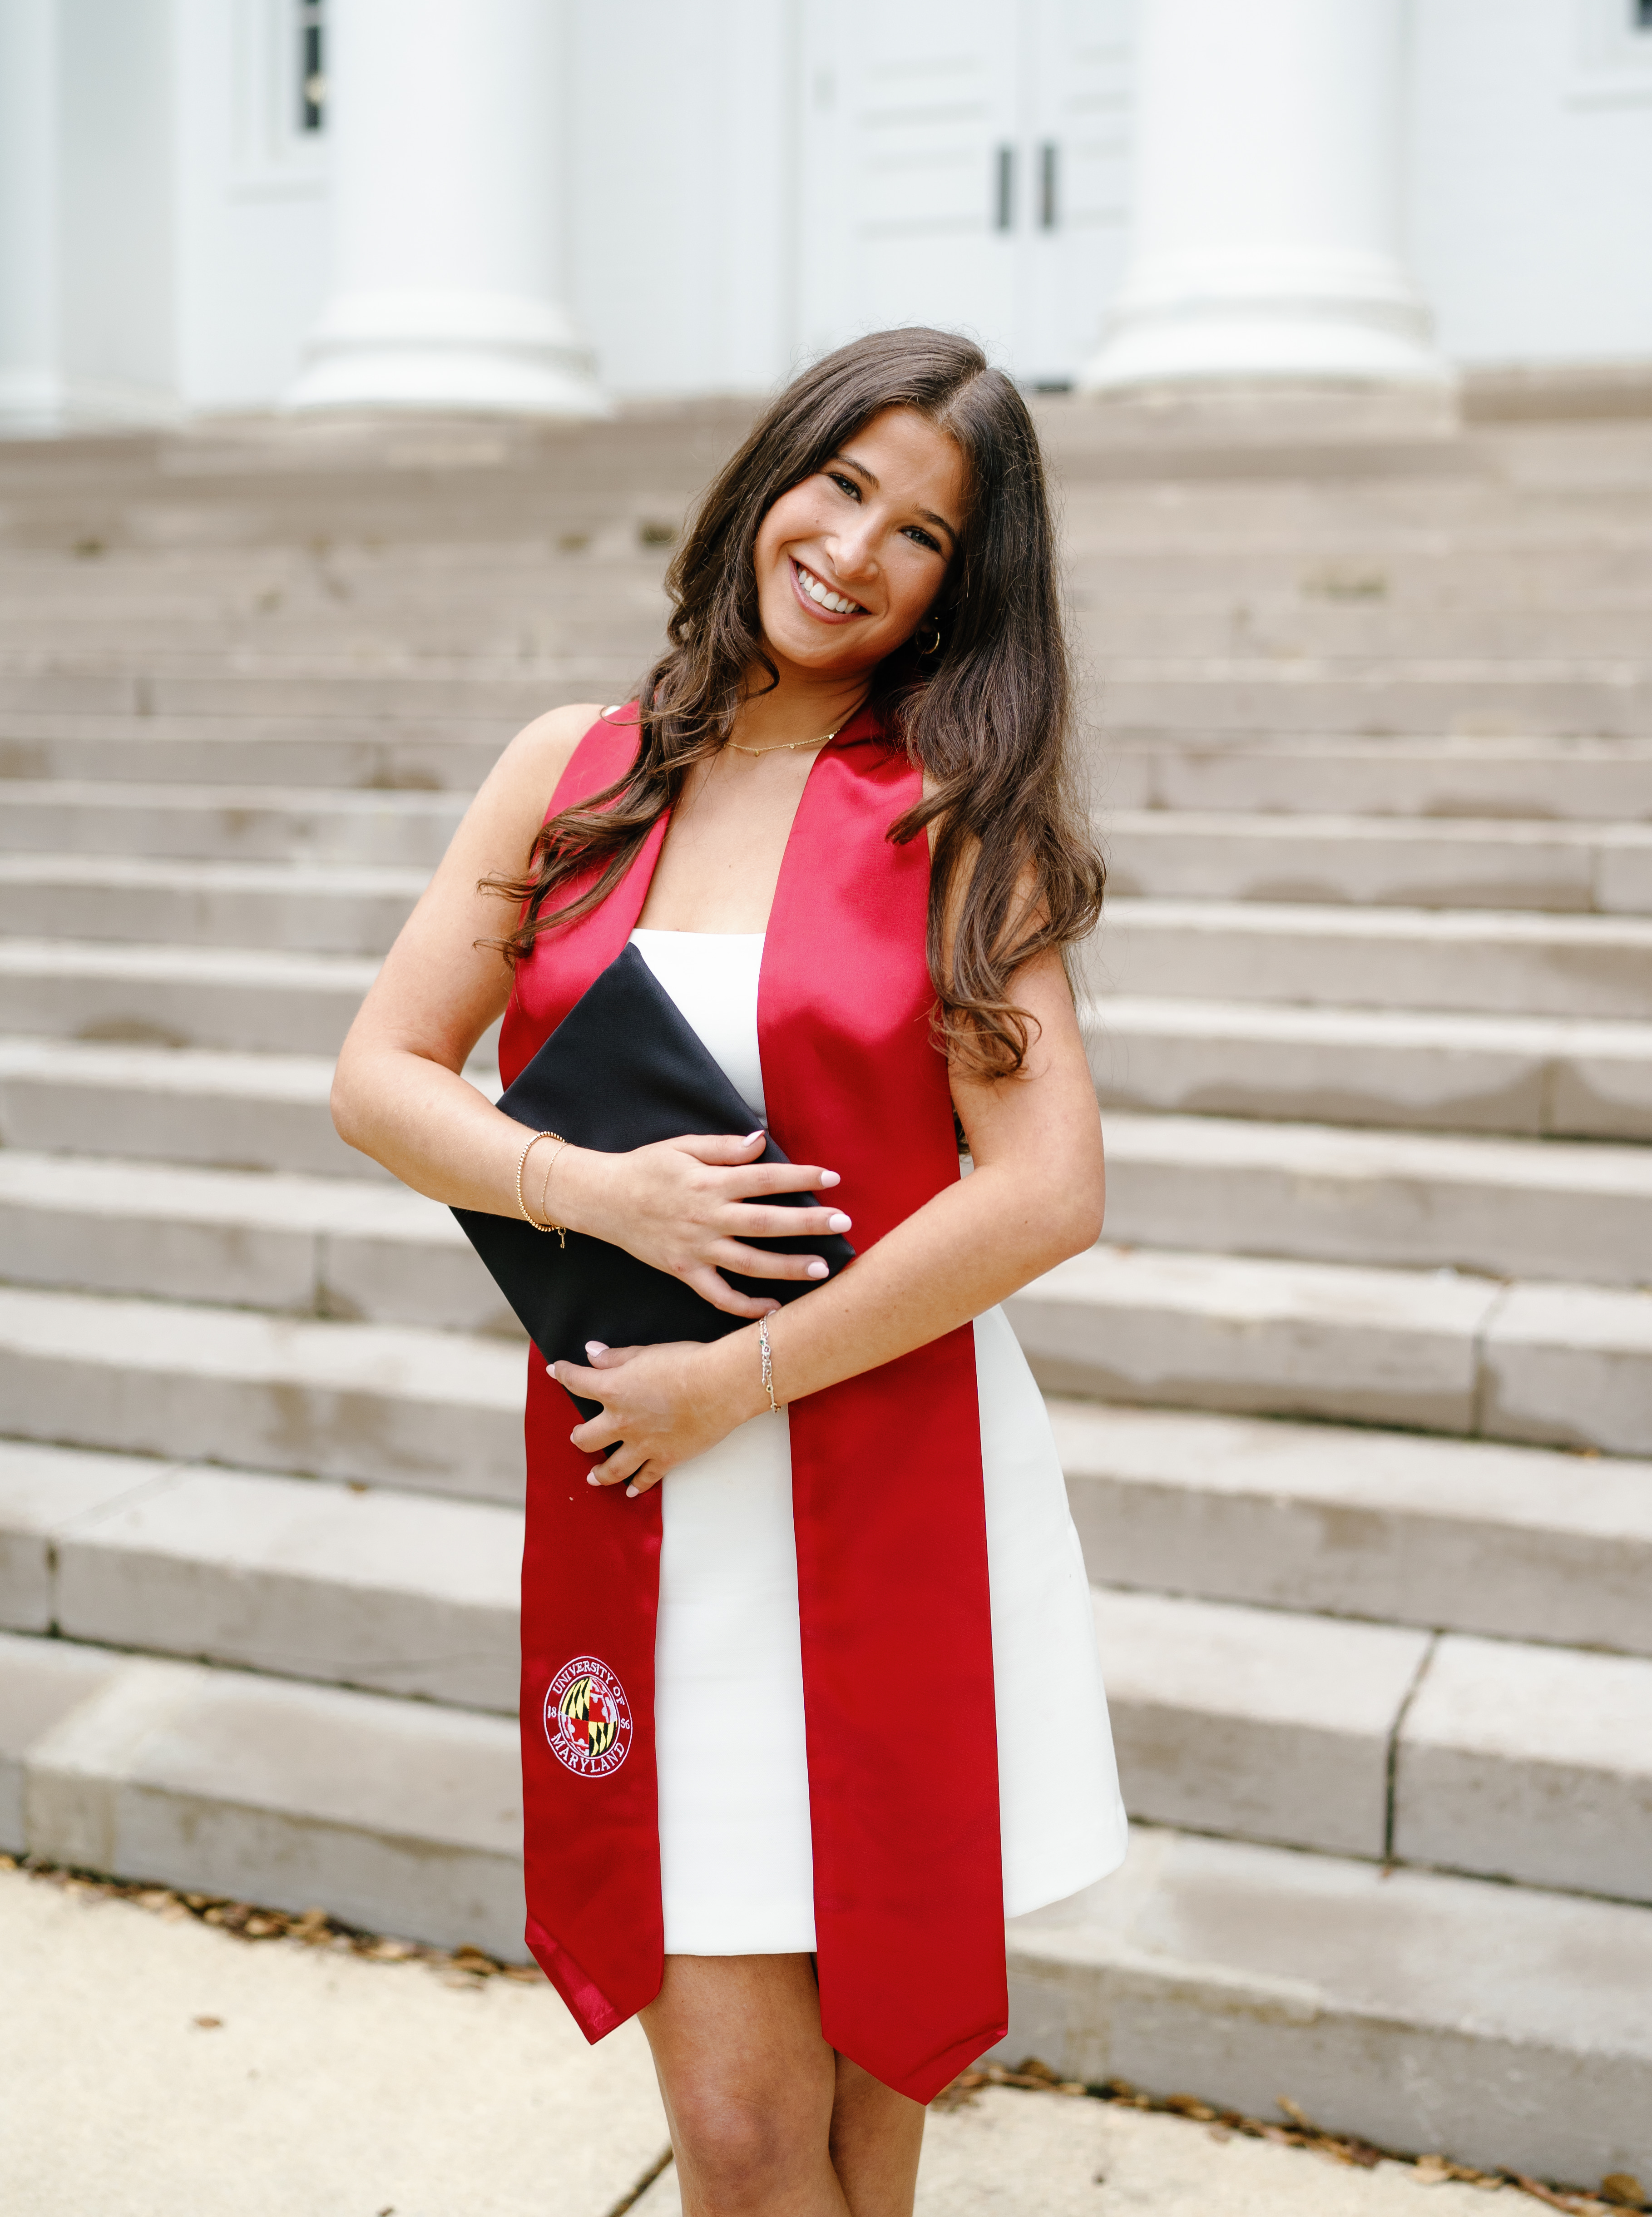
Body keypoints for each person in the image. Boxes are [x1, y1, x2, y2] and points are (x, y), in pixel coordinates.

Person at [331, 328, 1127, 2217]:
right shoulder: (575, 770)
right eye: (840, 483)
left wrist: (741, 1377)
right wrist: (590, 1193)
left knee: (863, 2127)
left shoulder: (950, 812)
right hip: (651, 1498)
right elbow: (378, 1074)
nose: (854, 550)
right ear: (770, 474)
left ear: (961, 587)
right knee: (752, 2144)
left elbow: (1047, 1188)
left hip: (883, 1476)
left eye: (920, 532)